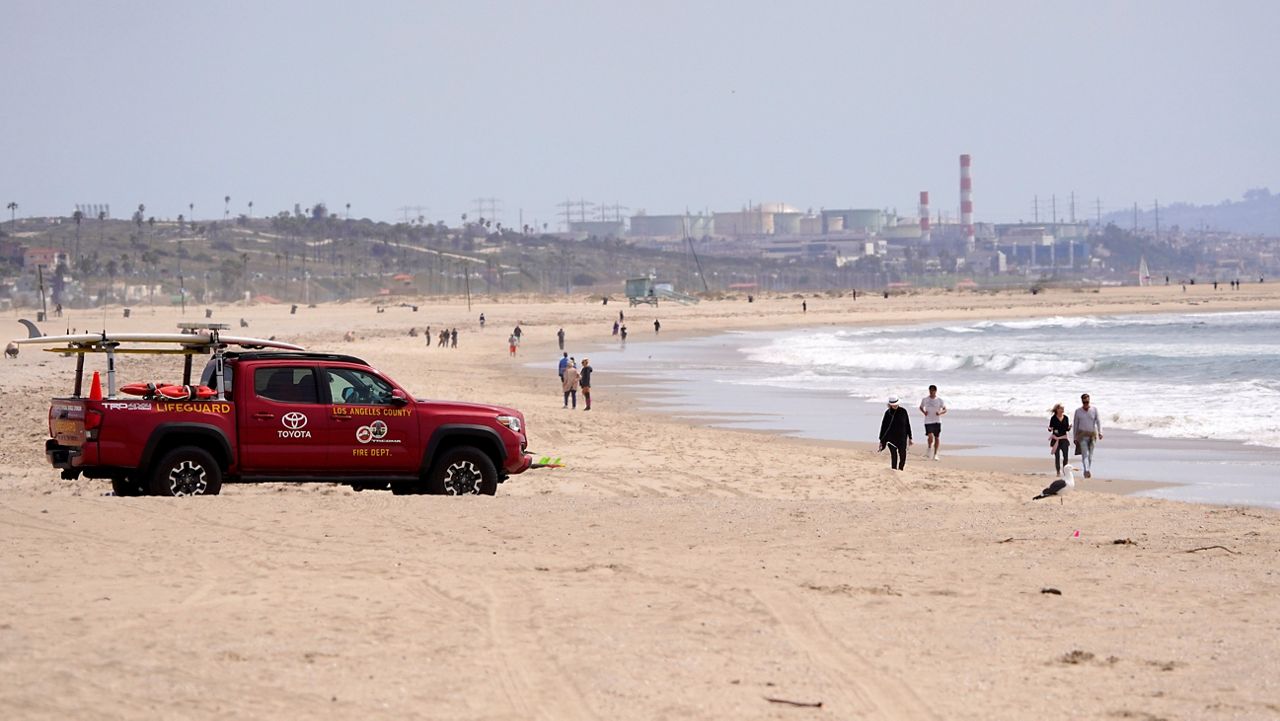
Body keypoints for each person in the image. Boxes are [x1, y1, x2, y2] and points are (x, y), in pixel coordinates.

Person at [878, 397, 913, 470]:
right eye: (893, 404)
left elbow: (907, 424)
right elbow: (884, 426)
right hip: (891, 438)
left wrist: (910, 437)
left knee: (903, 454)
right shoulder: (888, 413)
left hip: (902, 437)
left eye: (896, 404)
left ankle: (901, 469)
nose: (895, 406)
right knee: (894, 455)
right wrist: (881, 440)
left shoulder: (903, 411)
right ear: (890, 405)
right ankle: (894, 469)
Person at [1073, 393, 1102, 478]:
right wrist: (1075, 437)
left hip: (1092, 435)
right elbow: (1075, 425)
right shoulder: (1078, 411)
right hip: (1082, 435)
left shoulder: (1094, 410)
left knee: (1090, 455)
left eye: (1087, 402)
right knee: (1084, 454)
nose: (1086, 403)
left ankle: (1087, 468)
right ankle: (1086, 470)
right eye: (1084, 402)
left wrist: (1100, 432)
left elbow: (1098, 421)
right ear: (1082, 401)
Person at [918, 385, 947, 460]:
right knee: (930, 436)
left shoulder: (939, 400)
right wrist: (924, 412)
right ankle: (929, 448)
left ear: (935, 391)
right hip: (928, 420)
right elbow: (921, 407)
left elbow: (945, 409)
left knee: (937, 437)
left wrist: (940, 413)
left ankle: (935, 454)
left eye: (933, 391)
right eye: (930, 391)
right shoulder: (925, 399)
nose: (931, 392)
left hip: (937, 420)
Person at [1048, 403, 1071, 477]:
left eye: (1063, 408)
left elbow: (1066, 429)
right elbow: (1050, 428)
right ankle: (1058, 471)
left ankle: (1065, 472)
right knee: (1057, 456)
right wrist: (1049, 429)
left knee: (1066, 456)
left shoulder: (1066, 418)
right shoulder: (1053, 418)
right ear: (1057, 409)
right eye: (1061, 408)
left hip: (1063, 439)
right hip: (1056, 439)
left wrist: (1069, 428)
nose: (1063, 409)